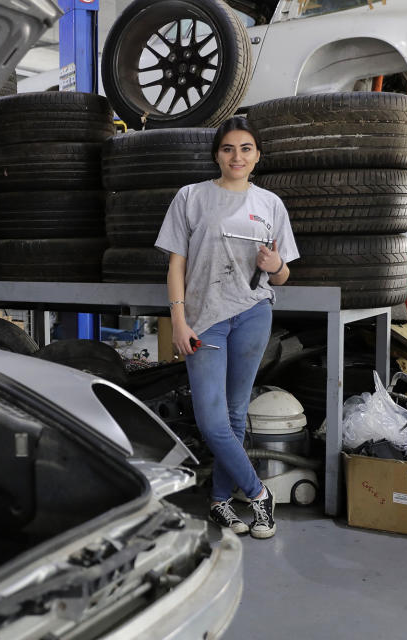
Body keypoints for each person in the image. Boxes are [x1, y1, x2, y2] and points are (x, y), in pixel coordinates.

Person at [154, 116, 299, 539]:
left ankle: (220, 501)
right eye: (229, 149)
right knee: (212, 421)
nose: (237, 156)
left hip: (253, 313)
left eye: (246, 149)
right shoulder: (191, 197)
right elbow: (176, 264)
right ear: (217, 155)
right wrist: (178, 319)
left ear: (258, 156)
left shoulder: (270, 204)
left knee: (235, 415)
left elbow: (283, 273)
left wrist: (276, 267)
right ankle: (258, 494)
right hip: (204, 319)